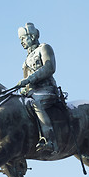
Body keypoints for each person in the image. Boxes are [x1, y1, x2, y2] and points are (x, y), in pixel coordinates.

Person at [17, 22, 59, 153]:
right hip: (32, 93)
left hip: (47, 90)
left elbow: (49, 67)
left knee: (36, 103)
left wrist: (30, 79)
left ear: (32, 37)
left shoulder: (44, 48)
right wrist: (23, 88)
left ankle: (49, 140)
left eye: (23, 38)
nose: (21, 42)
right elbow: (26, 83)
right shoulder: (25, 61)